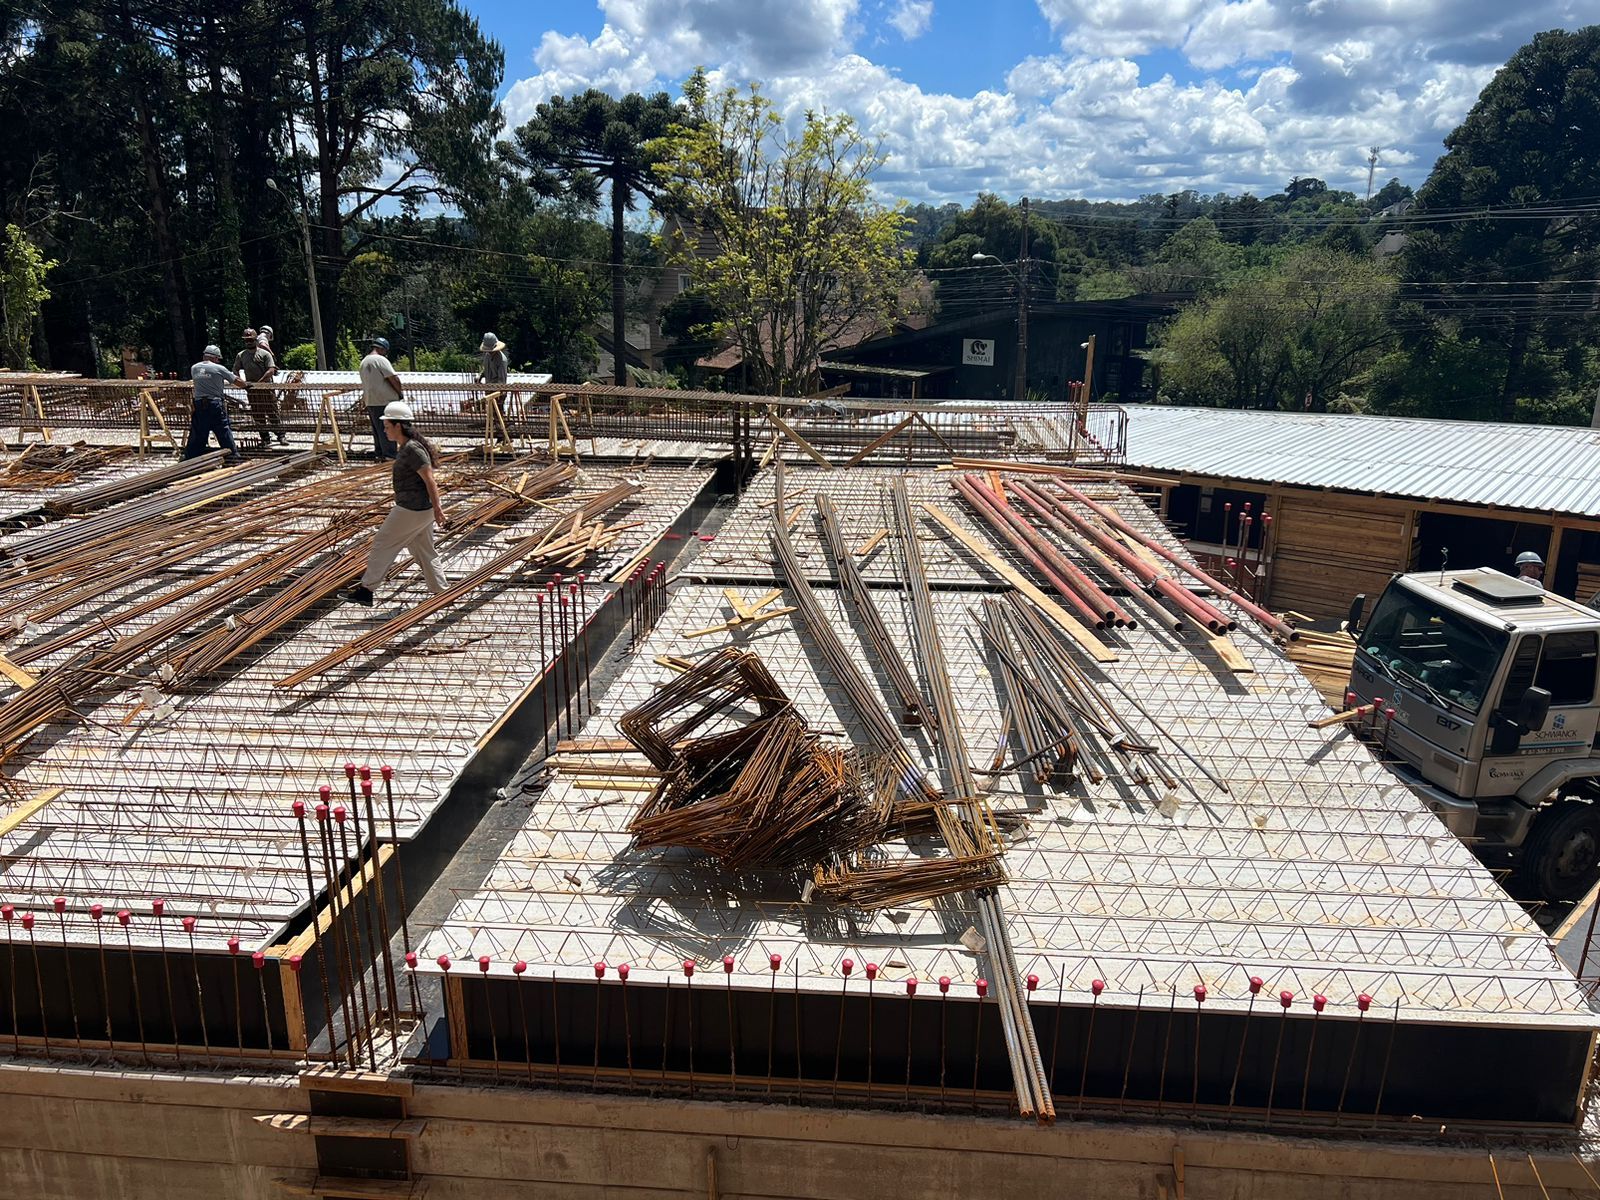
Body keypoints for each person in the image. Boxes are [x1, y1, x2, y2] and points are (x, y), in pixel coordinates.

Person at [346, 401, 448, 606]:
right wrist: (434, 509)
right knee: (424, 550)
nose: (384, 430)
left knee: (382, 543)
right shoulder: (408, 447)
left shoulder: (413, 450)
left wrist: (438, 509)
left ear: (398, 425)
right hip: (420, 510)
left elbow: (430, 480)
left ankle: (366, 591)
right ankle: (442, 592)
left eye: (387, 426)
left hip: (411, 510)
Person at [186, 345, 243, 462]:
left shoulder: (194, 368)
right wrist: (247, 385)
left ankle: (191, 459)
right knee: (223, 430)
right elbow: (236, 381)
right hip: (215, 403)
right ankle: (232, 458)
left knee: (198, 431)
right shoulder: (219, 368)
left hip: (199, 404)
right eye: (218, 359)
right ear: (215, 358)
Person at [235, 327, 285, 446]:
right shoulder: (241, 355)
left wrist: (260, 382)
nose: (249, 342)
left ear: (255, 340)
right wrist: (242, 383)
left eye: (251, 340)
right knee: (258, 414)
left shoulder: (264, 354)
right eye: (246, 340)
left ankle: (281, 436)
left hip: (266, 389)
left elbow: (271, 370)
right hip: (251, 390)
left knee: (272, 412)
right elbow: (235, 370)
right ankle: (265, 438)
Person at [359, 337, 403, 460]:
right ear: (382, 349)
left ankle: (379, 453)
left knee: (377, 429)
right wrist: (399, 393)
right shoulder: (380, 360)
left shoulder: (364, 361)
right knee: (387, 428)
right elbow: (394, 378)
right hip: (384, 400)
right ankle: (389, 455)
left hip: (371, 400)